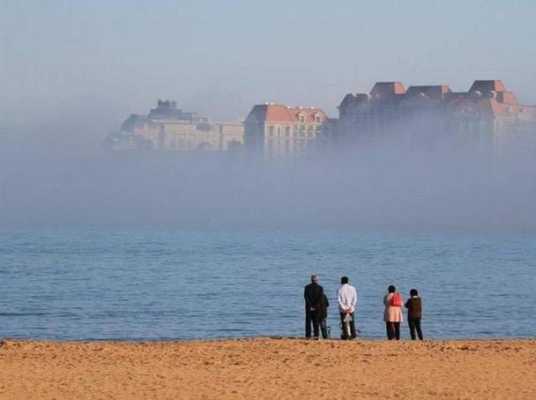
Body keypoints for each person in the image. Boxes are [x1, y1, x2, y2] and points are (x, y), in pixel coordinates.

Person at [304, 274, 324, 339]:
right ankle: (316, 335)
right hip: (317, 307)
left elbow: (306, 298)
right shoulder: (320, 288)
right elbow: (320, 298)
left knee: (308, 322)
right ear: (317, 280)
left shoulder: (306, 287)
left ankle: (308, 335)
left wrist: (310, 306)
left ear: (311, 280)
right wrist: (315, 306)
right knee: (316, 322)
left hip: (308, 307)